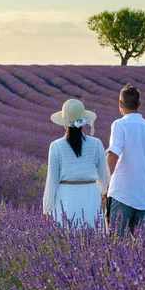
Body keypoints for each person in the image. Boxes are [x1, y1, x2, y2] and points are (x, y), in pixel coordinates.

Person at [43, 98, 109, 229]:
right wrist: (104, 191)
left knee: (66, 240)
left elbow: (52, 181)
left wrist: (47, 208)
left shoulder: (56, 146)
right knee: (93, 240)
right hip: (90, 195)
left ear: (64, 123)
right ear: (84, 122)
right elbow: (104, 176)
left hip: (66, 198)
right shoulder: (96, 144)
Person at [105, 83, 145, 234]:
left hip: (121, 194)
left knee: (114, 243)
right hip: (144, 199)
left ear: (120, 104)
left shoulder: (120, 125)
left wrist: (103, 186)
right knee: (141, 248)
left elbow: (112, 155)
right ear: (139, 104)